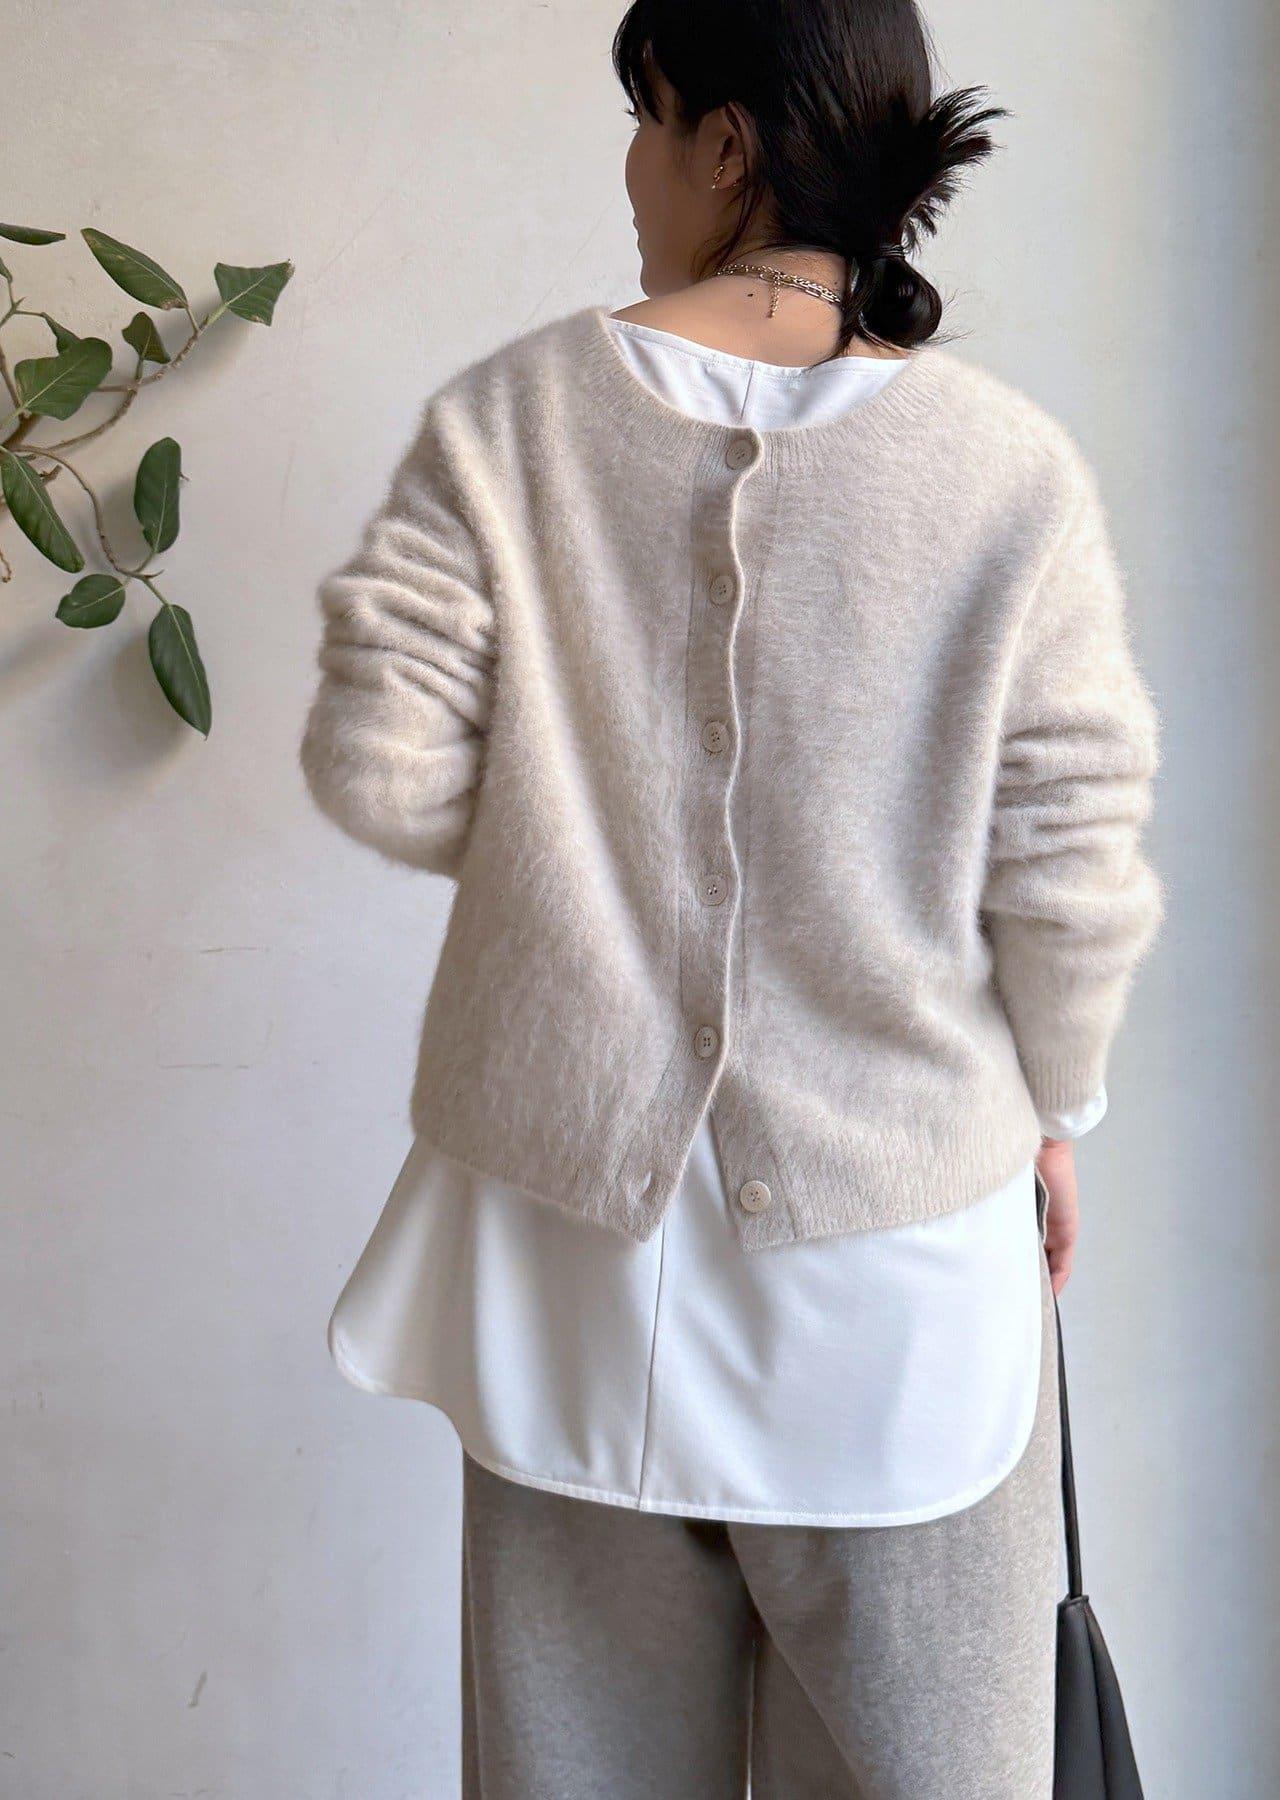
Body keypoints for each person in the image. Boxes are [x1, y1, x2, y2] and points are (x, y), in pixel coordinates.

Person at [299, 1, 1164, 1792]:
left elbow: (378, 761)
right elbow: (1071, 873)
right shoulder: (1007, 472)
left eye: (649, 118)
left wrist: (572, 849)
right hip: (901, 1278)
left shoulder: (508, 423)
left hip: (567, 1279)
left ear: (729, 145)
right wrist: (1057, 1114)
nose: (632, 169)